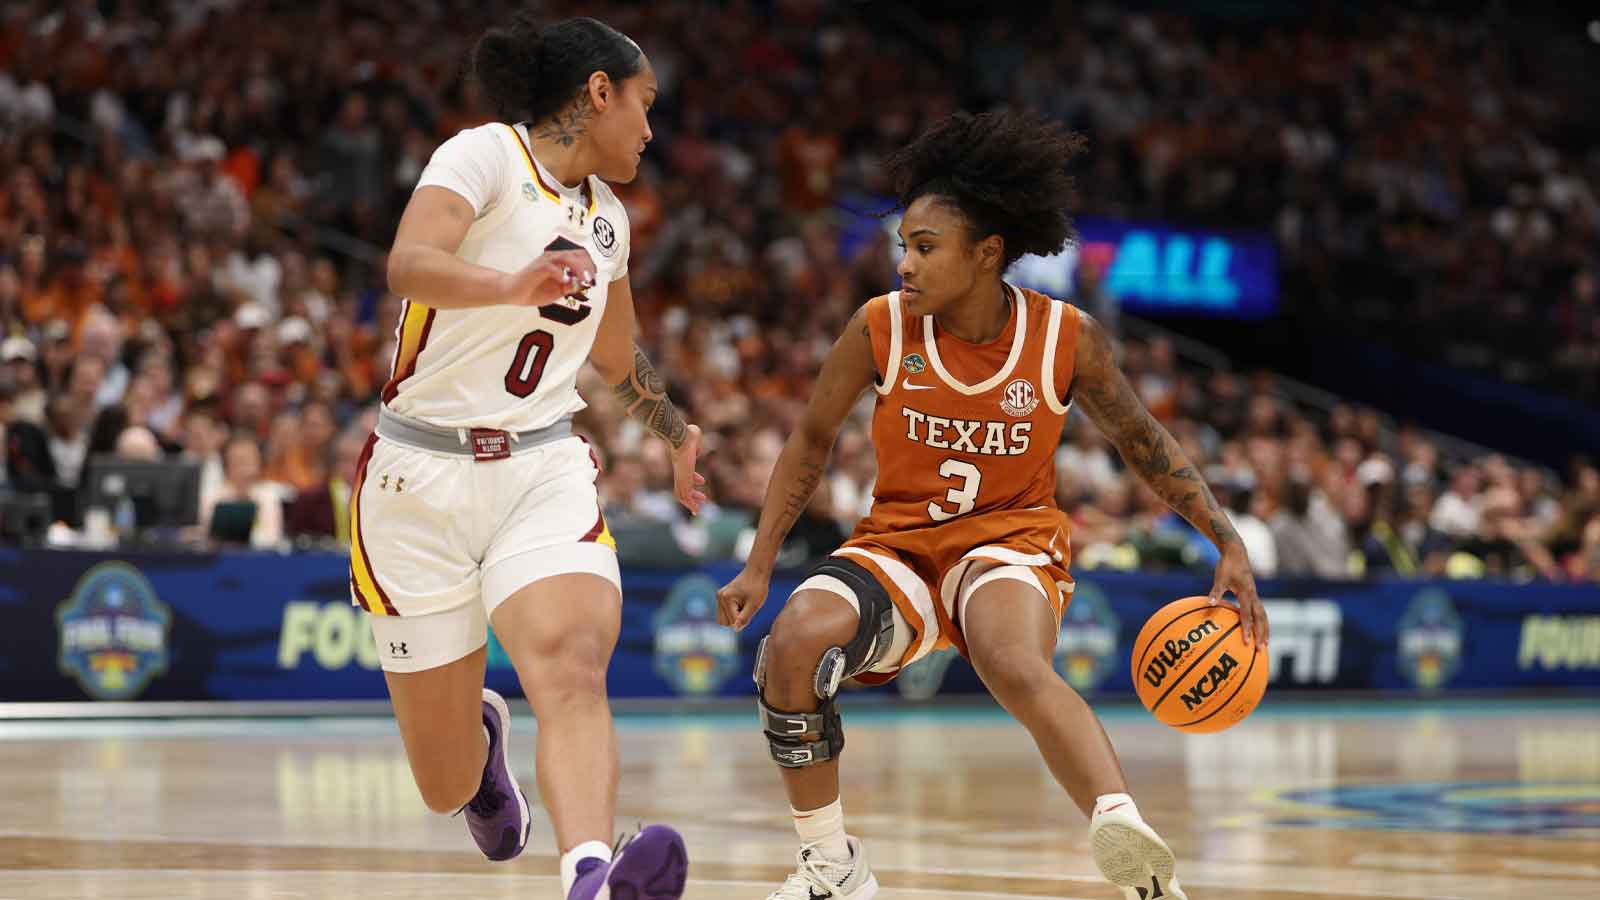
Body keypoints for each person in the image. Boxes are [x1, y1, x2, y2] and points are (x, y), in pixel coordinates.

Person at [716, 110, 1268, 900]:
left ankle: (1128, 843)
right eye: (904, 245)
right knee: (795, 642)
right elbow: (809, 443)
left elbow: (1143, 441)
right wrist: (760, 564)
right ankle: (832, 865)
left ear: (986, 253)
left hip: (1008, 546)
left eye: (925, 247)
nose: (905, 263)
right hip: (897, 548)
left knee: (1011, 658)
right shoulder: (879, 326)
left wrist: (1227, 539)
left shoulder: (1065, 338)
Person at [357, 15, 700, 900]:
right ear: (598, 93)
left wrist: (674, 431)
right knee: (441, 783)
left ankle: (589, 875)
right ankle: (478, 754)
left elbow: (617, 362)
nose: (650, 129)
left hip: (540, 467)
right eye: (645, 104)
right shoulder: (484, 156)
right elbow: (409, 263)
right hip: (416, 475)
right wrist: (510, 285)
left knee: (574, 666)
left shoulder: (609, 222)